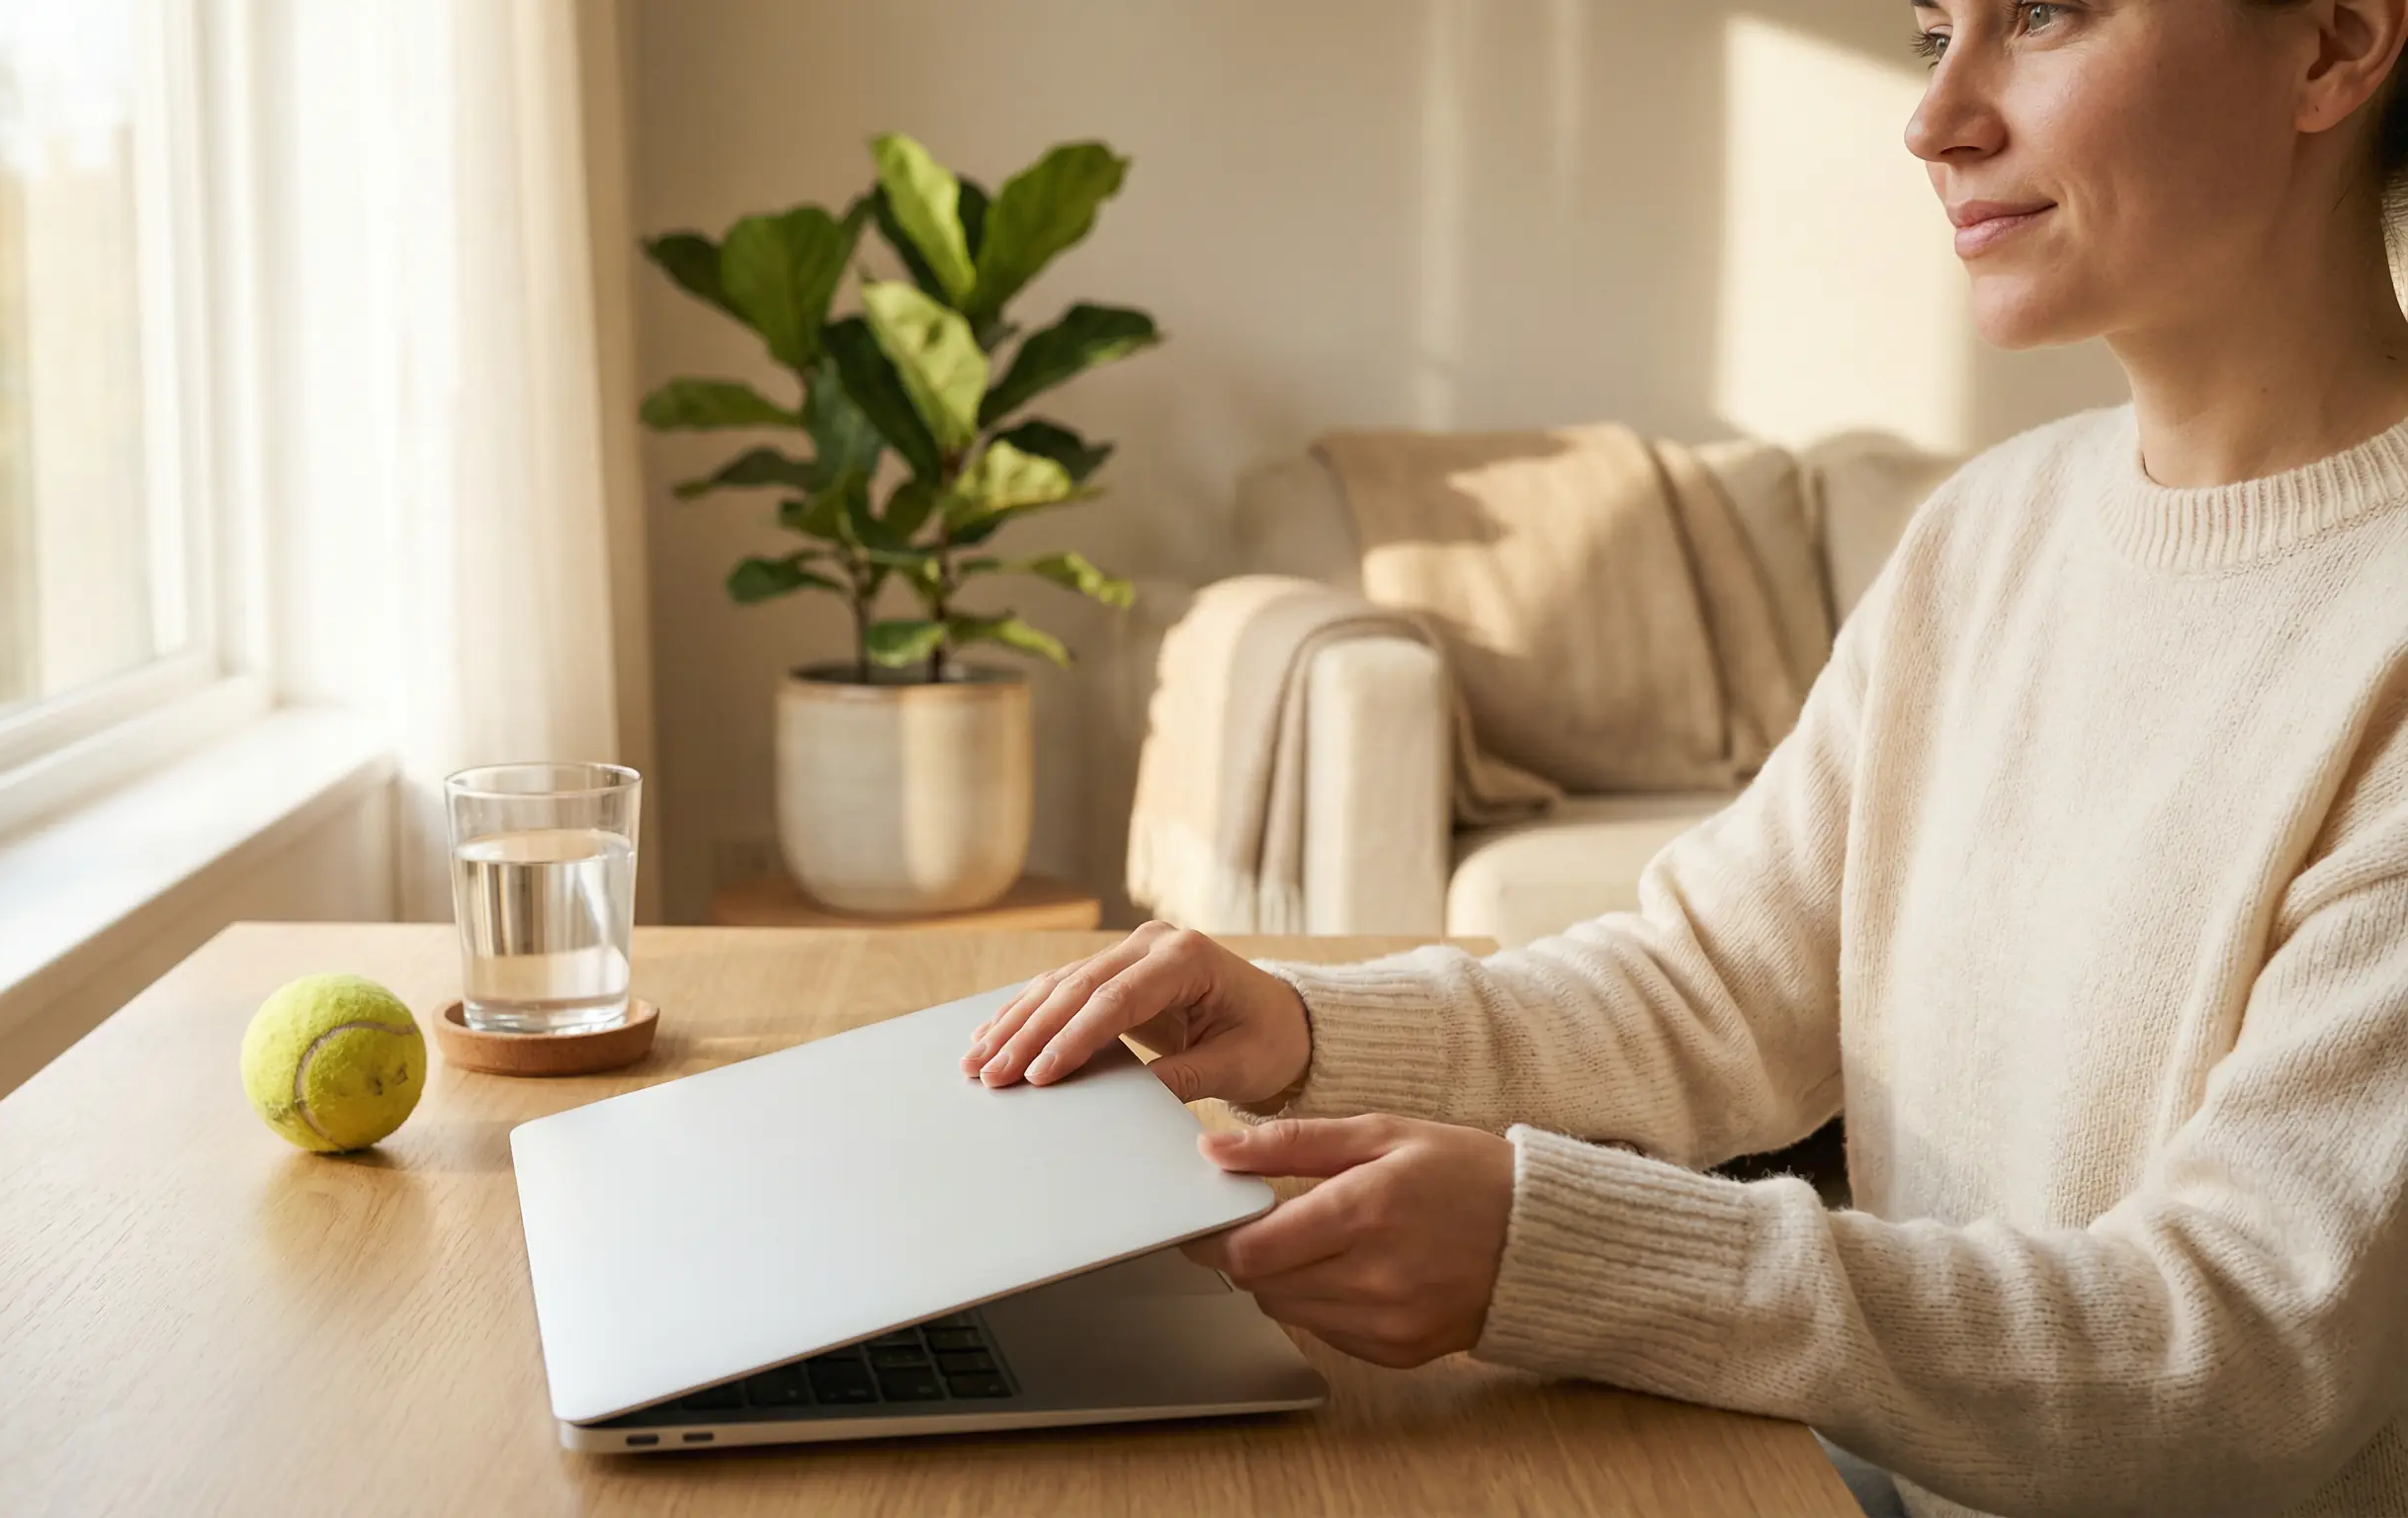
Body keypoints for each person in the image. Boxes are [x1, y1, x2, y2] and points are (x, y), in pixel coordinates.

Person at [964, 2, 2408, 1514]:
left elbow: (2242, 1353)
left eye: (2042, 13)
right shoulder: (1993, 532)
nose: (1937, 119)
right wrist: (1297, 1029)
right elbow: (1717, 987)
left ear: (2331, 43)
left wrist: (1561, 1252)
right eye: (1932, 30)